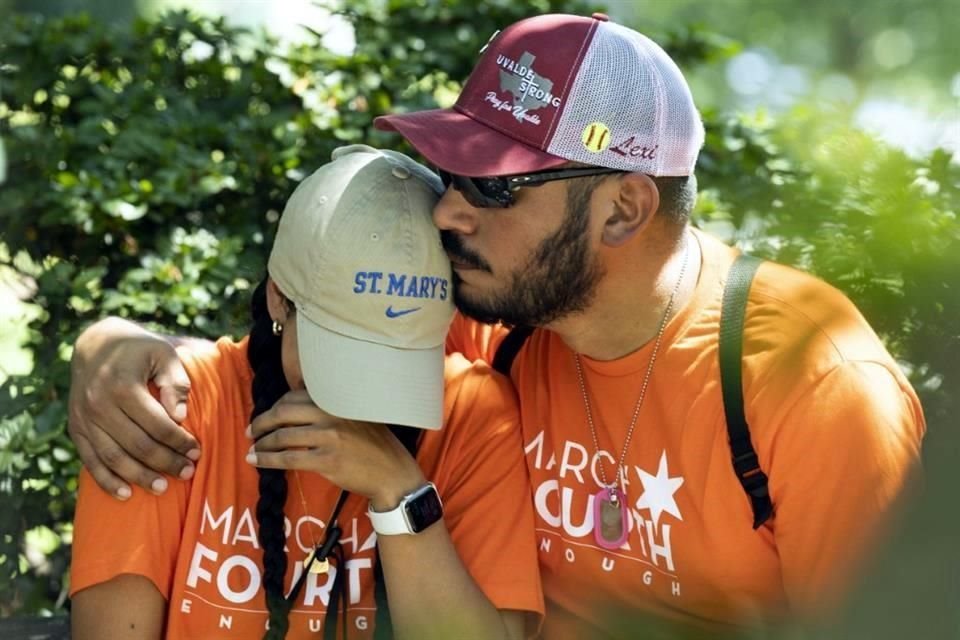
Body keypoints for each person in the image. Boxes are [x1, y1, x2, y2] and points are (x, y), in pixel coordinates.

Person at [68, 12, 924, 638]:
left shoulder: (817, 389)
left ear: (624, 208)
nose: (446, 214)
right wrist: (109, 347)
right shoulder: (501, 317)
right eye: (451, 172)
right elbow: (295, 333)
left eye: (494, 187)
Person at [69, 145, 543, 640]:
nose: (364, 398)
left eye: (395, 356)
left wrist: (399, 492)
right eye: (344, 350)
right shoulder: (169, 411)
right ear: (279, 296)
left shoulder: (474, 415)